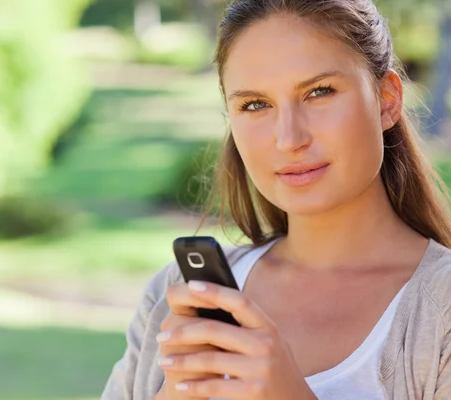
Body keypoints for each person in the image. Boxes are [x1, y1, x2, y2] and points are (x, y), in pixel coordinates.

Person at [102, 0, 451, 399]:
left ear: (386, 100)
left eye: (319, 92)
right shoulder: (177, 297)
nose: (289, 138)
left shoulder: (440, 316)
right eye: (256, 104)